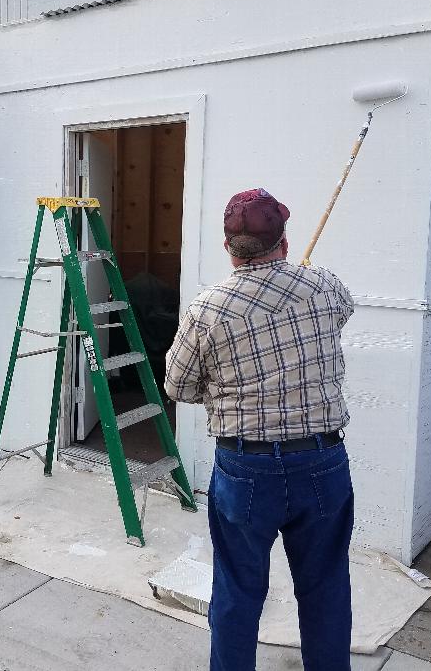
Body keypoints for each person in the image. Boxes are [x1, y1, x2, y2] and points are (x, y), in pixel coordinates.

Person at [165, 188, 356, 671]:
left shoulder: (208, 309)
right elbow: (343, 310)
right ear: (285, 242)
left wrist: (225, 388)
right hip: (322, 463)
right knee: (326, 588)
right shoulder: (323, 286)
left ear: (228, 248)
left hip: (245, 468)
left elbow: (178, 386)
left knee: (237, 591)